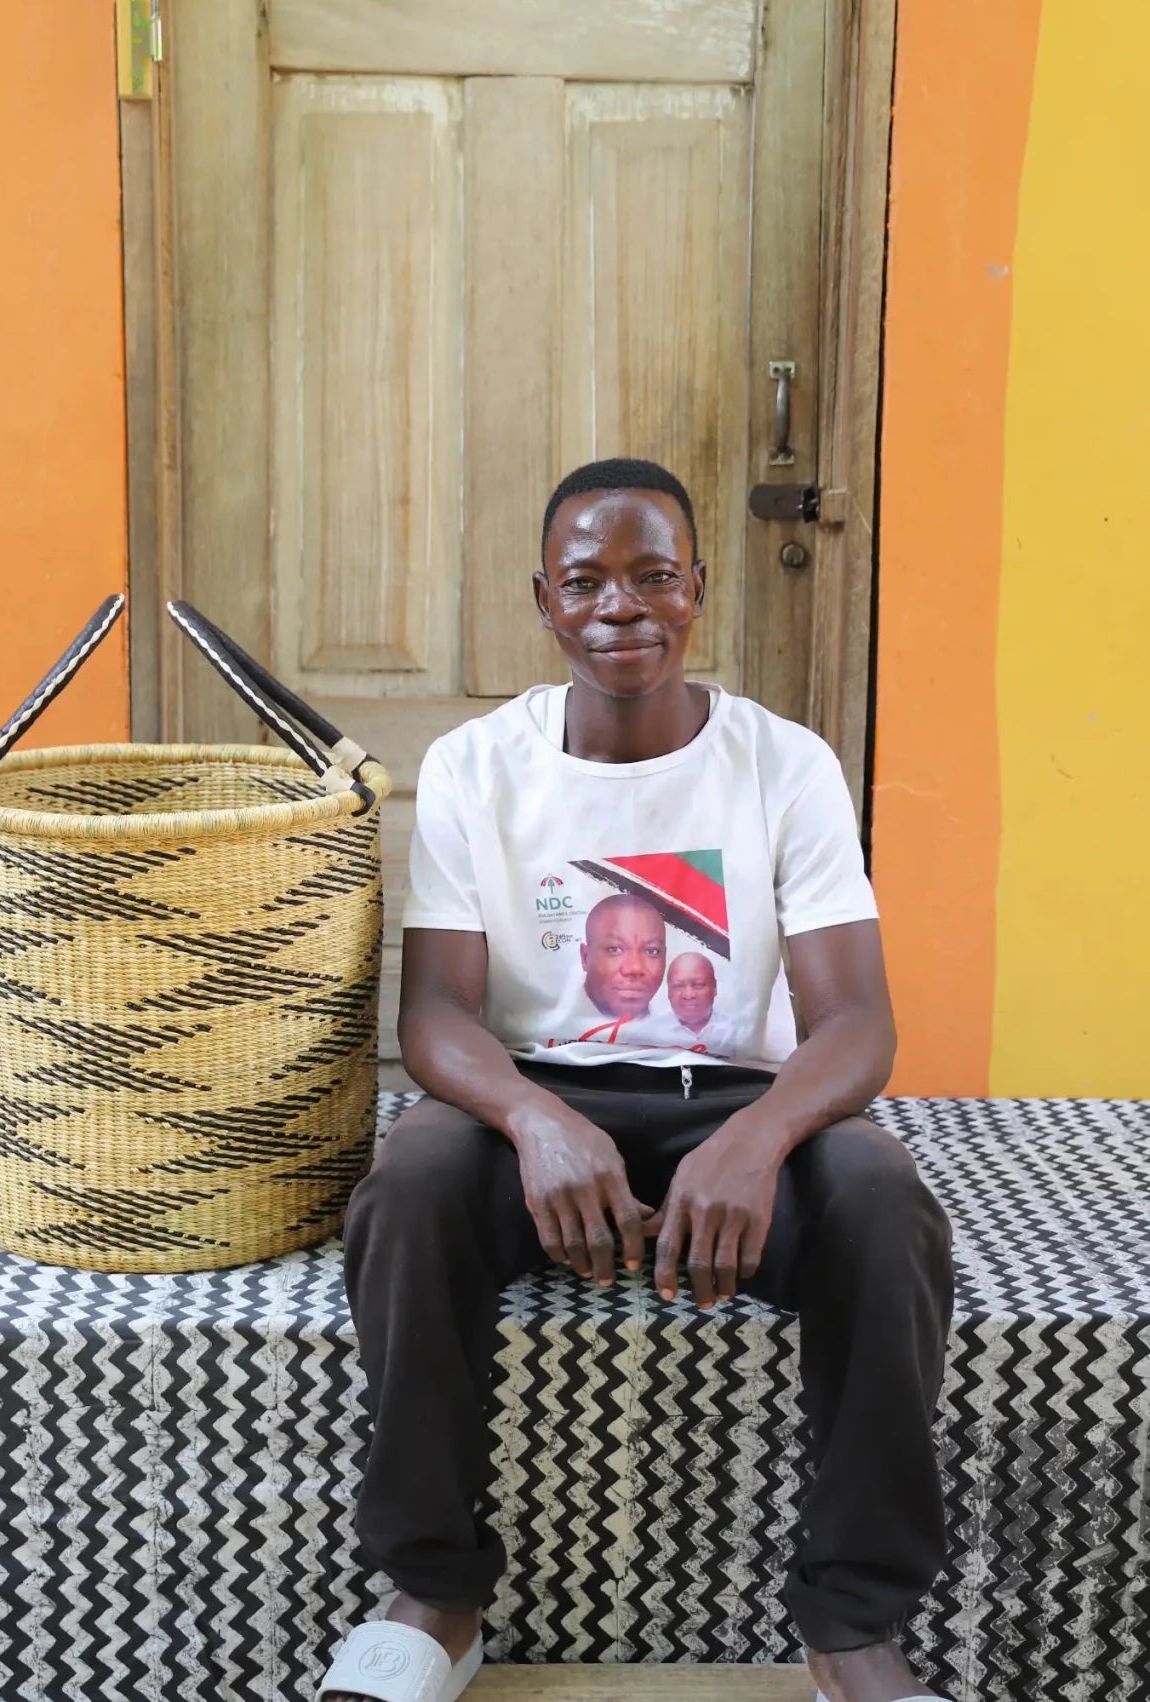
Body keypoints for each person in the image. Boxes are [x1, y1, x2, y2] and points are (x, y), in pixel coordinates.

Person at [319, 459, 954, 1702]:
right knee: (408, 1188)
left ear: (700, 590)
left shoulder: (786, 764)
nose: (623, 608)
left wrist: (758, 1138)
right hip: (539, 1097)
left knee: (886, 1208)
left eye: (655, 576)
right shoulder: (475, 766)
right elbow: (437, 1014)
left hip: (737, 1093)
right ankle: (435, 1596)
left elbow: (858, 1026)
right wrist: (532, 1115)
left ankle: (855, 1625)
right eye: (587, 582)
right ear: (543, 605)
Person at [580, 892, 667, 1021]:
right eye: (614, 949)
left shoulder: (672, 1029)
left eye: (652, 951)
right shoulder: (552, 1024)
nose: (634, 968)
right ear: (585, 957)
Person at [668, 950, 718, 1036]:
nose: (689, 995)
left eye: (698, 985)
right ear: (668, 991)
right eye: (679, 986)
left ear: (714, 988)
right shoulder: (649, 1034)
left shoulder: (736, 1031)